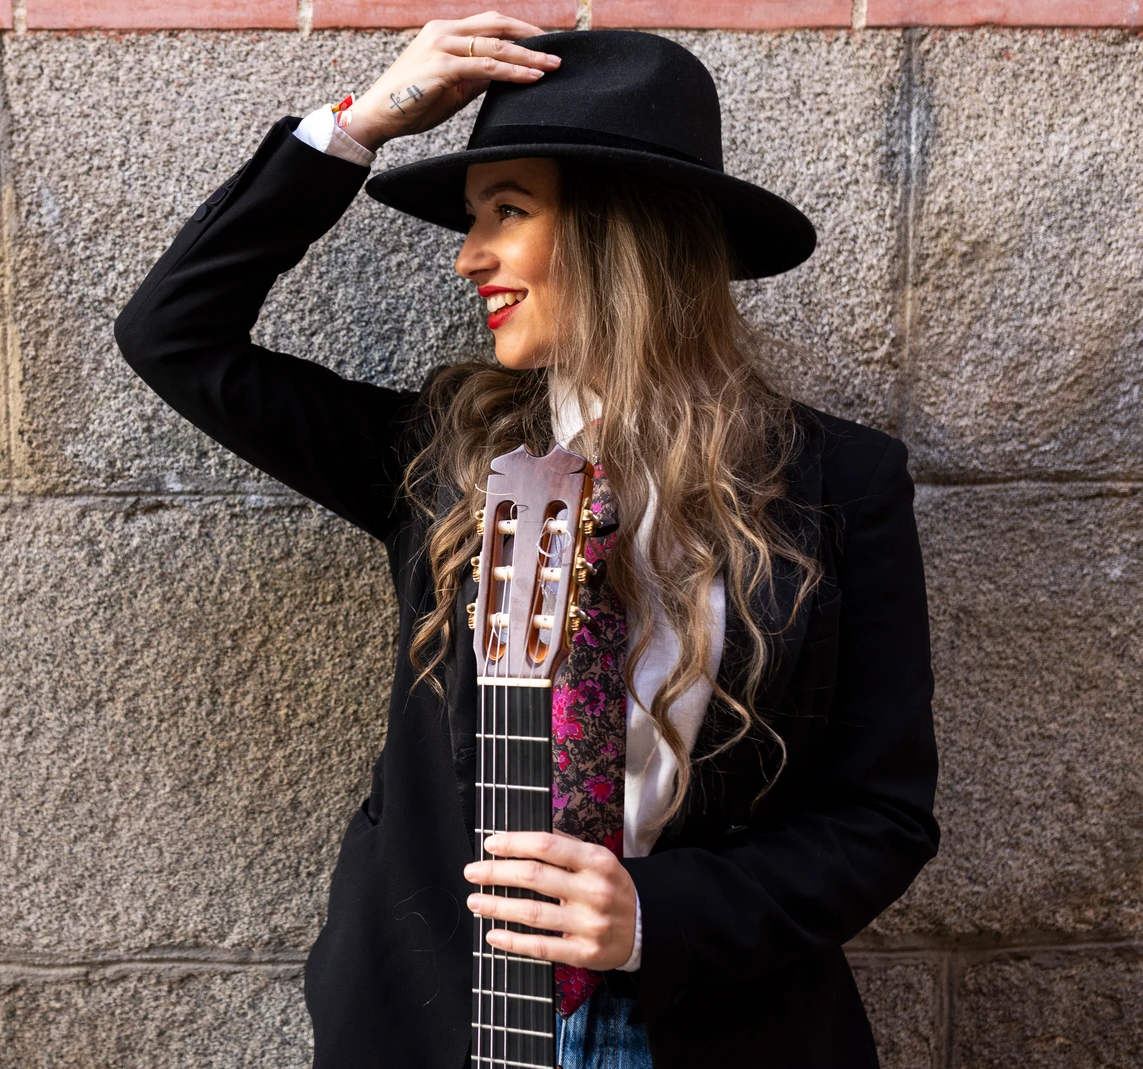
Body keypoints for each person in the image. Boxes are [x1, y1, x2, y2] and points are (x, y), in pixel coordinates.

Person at [115, 15, 938, 1069]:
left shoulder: (836, 486)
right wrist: (364, 121)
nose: (469, 257)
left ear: (619, 228)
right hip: (438, 1027)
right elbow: (174, 334)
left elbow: (880, 816)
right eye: (473, 218)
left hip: (710, 1024)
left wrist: (655, 914)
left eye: (507, 212)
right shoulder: (444, 456)